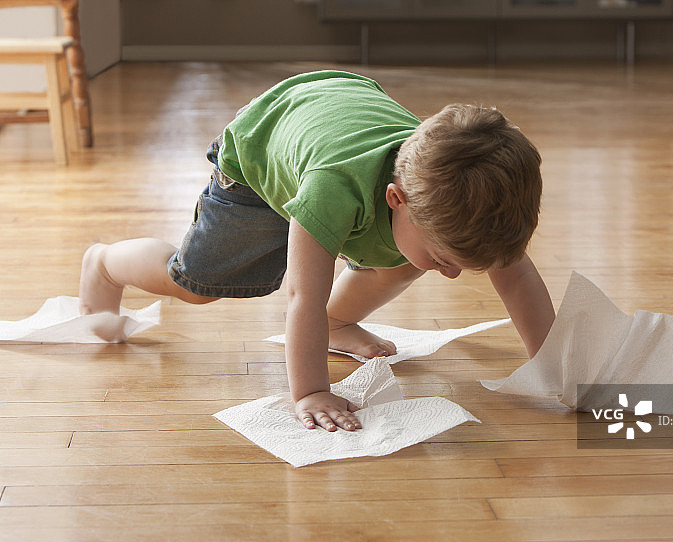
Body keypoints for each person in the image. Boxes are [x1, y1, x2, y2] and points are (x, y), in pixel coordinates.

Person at [79, 70, 555, 433]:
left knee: (411, 258)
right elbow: (302, 297)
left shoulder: (445, 196)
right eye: (445, 261)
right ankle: (104, 262)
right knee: (198, 284)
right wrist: (311, 392)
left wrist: (557, 368)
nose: (450, 276)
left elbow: (514, 276)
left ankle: (338, 323)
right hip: (261, 152)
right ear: (396, 198)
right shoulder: (333, 191)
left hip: (333, 116)